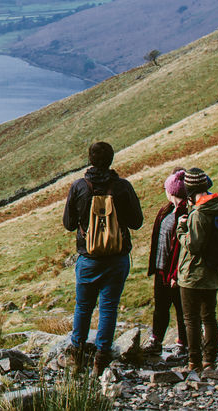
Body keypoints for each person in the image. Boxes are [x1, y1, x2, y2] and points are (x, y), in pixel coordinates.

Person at [62, 141, 144, 375]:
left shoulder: (79, 187)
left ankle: (77, 354)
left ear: (90, 160)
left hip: (88, 257)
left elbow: (68, 224)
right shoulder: (123, 187)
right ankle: (101, 358)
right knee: (109, 308)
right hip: (117, 258)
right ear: (111, 160)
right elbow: (137, 222)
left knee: (83, 307)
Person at [176, 167, 218, 376]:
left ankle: (194, 361)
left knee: (191, 319)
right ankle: (210, 360)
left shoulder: (199, 213)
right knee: (209, 317)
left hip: (192, 274)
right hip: (212, 273)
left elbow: (193, 245)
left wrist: (180, 229)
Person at [145, 169, 188, 361]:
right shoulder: (167, 210)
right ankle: (156, 340)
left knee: (181, 308)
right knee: (161, 306)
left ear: (172, 191)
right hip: (162, 269)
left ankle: (182, 344)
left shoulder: (185, 213)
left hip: (175, 271)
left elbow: (181, 247)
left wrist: (176, 273)